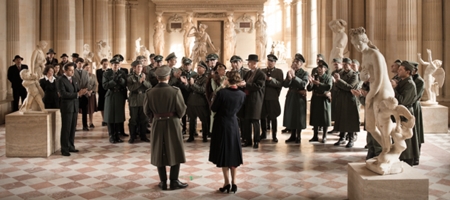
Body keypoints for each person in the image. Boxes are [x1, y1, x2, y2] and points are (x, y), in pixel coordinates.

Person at [143, 65, 188, 191]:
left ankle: (163, 182)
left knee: (159, 151)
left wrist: (156, 117)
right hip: (173, 123)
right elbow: (182, 110)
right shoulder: (175, 91)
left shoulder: (149, 92)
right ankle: (174, 181)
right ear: (168, 76)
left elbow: (146, 111)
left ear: (157, 77)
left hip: (157, 123)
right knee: (176, 150)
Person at [208, 71, 245, 194]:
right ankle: (234, 183)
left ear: (227, 80)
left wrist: (221, 88)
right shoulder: (241, 94)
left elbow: (213, 108)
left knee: (224, 153)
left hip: (221, 124)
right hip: (233, 123)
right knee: (233, 152)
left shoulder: (222, 93)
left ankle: (226, 183)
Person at [392, 61, 419, 166]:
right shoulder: (402, 81)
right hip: (399, 113)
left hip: (405, 114)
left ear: (408, 72)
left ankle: (407, 159)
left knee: (405, 137)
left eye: (401, 69)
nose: (398, 70)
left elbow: (402, 100)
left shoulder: (410, 84)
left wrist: (394, 88)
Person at [59, 63, 87, 156]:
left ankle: (71, 146)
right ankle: (64, 149)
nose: (72, 72)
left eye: (73, 70)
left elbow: (77, 90)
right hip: (67, 107)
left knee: (72, 128)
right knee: (66, 128)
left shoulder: (74, 79)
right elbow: (63, 94)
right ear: (65, 71)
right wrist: (77, 94)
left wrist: (83, 91)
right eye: (70, 70)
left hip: (75, 106)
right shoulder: (60, 80)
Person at [333, 57, 360, 148]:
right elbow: (336, 87)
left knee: (350, 120)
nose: (345, 66)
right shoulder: (340, 73)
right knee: (341, 118)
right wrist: (336, 83)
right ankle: (341, 137)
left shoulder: (354, 75)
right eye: (343, 64)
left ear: (350, 65)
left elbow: (350, 87)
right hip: (341, 98)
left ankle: (351, 139)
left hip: (349, 99)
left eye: (346, 64)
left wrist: (339, 81)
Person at [240, 54, 266, 148]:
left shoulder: (261, 74)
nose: (248, 64)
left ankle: (256, 140)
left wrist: (246, 84)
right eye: (248, 62)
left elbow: (258, 86)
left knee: (255, 121)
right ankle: (248, 140)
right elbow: (244, 82)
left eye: (250, 62)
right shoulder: (248, 73)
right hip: (247, 100)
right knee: (247, 121)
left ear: (254, 63)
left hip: (256, 100)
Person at [283, 53, 309, 143]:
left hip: (299, 97)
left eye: (297, 62)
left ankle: (299, 136)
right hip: (291, 96)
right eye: (294, 61)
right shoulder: (290, 72)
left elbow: (303, 83)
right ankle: (292, 135)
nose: (295, 63)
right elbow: (285, 85)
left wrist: (294, 77)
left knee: (299, 117)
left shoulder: (305, 73)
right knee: (291, 116)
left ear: (301, 64)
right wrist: (289, 79)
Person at [103, 57, 128, 143]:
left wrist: (121, 80)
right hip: (110, 95)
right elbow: (105, 86)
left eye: (117, 64)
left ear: (119, 64)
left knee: (118, 116)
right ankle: (111, 135)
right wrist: (113, 81)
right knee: (110, 116)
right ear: (111, 65)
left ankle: (117, 135)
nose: (116, 66)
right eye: (114, 64)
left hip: (119, 96)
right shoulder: (107, 73)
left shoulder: (122, 73)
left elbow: (125, 84)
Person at [185, 61, 210, 142]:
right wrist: (186, 84)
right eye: (197, 67)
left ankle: (204, 136)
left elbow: (202, 90)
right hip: (191, 102)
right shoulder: (194, 76)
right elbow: (189, 90)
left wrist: (193, 85)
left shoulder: (206, 78)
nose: (198, 69)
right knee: (191, 120)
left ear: (204, 69)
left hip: (200, 102)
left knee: (204, 120)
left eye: (200, 68)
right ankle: (191, 136)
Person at [260, 54, 283, 142]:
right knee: (263, 116)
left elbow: (280, 84)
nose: (270, 63)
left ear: (275, 62)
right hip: (263, 96)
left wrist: (271, 80)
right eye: (269, 61)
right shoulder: (262, 71)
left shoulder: (278, 71)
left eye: (272, 61)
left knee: (273, 116)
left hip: (273, 97)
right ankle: (264, 133)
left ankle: (274, 135)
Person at [307, 61, 332, 143]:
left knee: (325, 118)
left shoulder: (328, 77)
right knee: (315, 117)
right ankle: (315, 136)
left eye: (321, 68)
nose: (319, 69)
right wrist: (311, 82)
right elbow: (309, 89)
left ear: (325, 69)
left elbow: (328, 86)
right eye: (318, 68)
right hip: (316, 98)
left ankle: (324, 136)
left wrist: (319, 83)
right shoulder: (315, 76)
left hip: (324, 99)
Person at [127, 60, 152, 143]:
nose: (140, 68)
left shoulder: (145, 76)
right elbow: (131, 88)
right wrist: (139, 82)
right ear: (134, 68)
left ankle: (143, 136)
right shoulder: (130, 77)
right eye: (138, 67)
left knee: (144, 119)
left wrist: (144, 81)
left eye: (141, 67)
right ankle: (132, 137)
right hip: (134, 100)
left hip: (143, 100)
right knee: (133, 119)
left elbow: (149, 87)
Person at [410, 61, 425, 159]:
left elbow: (416, 96)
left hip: (414, 106)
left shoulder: (420, 81)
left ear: (414, 70)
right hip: (409, 104)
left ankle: (416, 154)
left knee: (416, 130)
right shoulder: (409, 79)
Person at [73, 58, 90, 131]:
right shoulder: (73, 72)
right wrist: (78, 91)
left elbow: (88, 82)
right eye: (79, 63)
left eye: (82, 63)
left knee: (85, 111)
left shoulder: (85, 72)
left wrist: (85, 90)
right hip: (76, 94)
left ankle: (85, 126)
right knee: (75, 112)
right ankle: (74, 126)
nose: (81, 65)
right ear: (76, 64)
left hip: (84, 94)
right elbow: (72, 82)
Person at [83, 63, 98, 128]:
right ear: (84, 68)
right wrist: (86, 91)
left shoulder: (93, 75)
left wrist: (91, 91)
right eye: (86, 67)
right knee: (84, 109)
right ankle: (84, 123)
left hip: (91, 94)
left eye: (89, 67)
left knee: (91, 109)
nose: (88, 68)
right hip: (84, 94)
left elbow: (95, 84)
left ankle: (91, 122)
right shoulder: (82, 76)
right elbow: (81, 84)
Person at [97, 58, 109, 126]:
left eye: (107, 64)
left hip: (108, 90)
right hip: (101, 90)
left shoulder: (110, 71)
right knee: (102, 105)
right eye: (104, 64)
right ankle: (103, 119)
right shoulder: (98, 71)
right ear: (102, 64)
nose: (105, 65)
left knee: (108, 105)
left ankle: (107, 119)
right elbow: (100, 81)